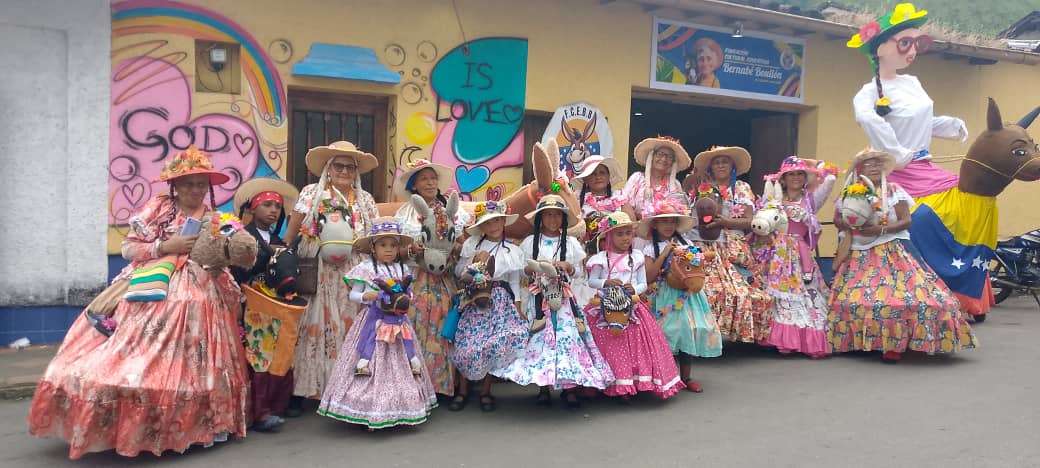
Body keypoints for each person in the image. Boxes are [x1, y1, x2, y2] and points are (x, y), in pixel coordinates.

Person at [28, 147, 251, 459]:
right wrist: (164, 245)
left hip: (203, 291)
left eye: (201, 184)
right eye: (188, 184)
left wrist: (238, 247)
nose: (195, 190)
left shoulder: (217, 217)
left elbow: (235, 245)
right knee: (136, 356)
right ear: (174, 186)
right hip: (153, 285)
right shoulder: (158, 208)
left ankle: (198, 426)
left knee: (200, 362)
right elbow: (129, 247)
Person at [829, 149, 977, 363]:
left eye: (878, 164)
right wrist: (850, 224)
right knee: (853, 299)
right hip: (857, 254)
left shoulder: (893, 191)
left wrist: (881, 230)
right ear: (860, 169)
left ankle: (894, 345)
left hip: (889, 251)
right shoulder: (848, 193)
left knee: (900, 298)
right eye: (869, 165)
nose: (874, 168)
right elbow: (837, 219)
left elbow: (906, 221)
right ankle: (858, 341)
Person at [283, 141, 380, 410]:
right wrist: (283, 251)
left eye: (350, 167)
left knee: (351, 328)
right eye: (339, 165)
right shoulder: (312, 193)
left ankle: (347, 389)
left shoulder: (366, 200)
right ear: (328, 168)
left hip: (353, 273)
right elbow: (293, 227)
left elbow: (374, 235)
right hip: (320, 272)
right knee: (315, 327)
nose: (345, 171)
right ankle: (311, 390)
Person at [317, 217, 437, 428]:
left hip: (399, 324)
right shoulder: (365, 269)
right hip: (373, 323)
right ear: (373, 247)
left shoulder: (402, 270)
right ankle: (368, 408)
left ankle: (399, 407)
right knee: (371, 362)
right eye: (383, 245)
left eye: (393, 245)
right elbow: (353, 295)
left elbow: (408, 293)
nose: (389, 250)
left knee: (402, 363)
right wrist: (367, 297)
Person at [496, 195, 613, 409]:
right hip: (538, 298)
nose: (552, 219)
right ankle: (543, 387)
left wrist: (568, 267)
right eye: (548, 215)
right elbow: (523, 270)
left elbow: (578, 273)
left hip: (564, 301)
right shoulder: (530, 242)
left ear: (563, 219)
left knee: (566, 341)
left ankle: (569, 389)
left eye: (557, 215)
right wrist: (534, 268)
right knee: (541, 342)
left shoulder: (570, 243)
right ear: (540, 218)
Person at [848, 2, 967, 200]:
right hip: (893, 171)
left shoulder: (912, 83)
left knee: (962, 191)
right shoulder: (868, 93)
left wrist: (951, 126)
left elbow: (919, 120)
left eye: (917, 43)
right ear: (880, 49)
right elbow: (869, 120)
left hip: (923, 166)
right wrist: (897, 154)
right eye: (905, 44)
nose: (912, 51)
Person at [584, 212, 683, 400]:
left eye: (628, 234)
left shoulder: (636, 257)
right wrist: (606, 282)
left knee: (633, 347)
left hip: (631, 307)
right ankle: (611, 382)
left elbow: (643, 283)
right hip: (605, 309)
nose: (625, 238)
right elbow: (592, 281)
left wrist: (634, 289)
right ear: (609, 236)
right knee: (610, 347)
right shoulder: (600, 259)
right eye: (619, 234)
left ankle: (630, 383)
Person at [392, 159, 469, 399]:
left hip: (444, 280)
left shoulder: (452, 211)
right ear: (414, 185)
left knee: (445, 329)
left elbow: (464, 243)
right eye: (424, 178)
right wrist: (411, 251)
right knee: (413, 329)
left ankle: (444, 386)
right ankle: (414, 388)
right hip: (414, 278)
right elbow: (394, 249)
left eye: (433, 178)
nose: (430, 182)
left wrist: (454, 248)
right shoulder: (403, 214)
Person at [231, 177, 302, 432]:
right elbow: (235, 272)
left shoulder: (277, 240)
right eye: (267, 205)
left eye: (277, 206)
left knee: (278, 355)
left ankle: (277, 405)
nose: (273, 210)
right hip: (252, 304)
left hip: (275, 304)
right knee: (259, 357)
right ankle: (259, 412)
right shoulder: (242, 237)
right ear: (252, 209)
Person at [750, 157, 837, 359]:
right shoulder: (772, 197)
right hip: (774, 253)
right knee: (773, 296)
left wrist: (813, 163)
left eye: (800, 173)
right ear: (783, 178)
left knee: (804, 296)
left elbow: (831, 177)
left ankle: (800, 340)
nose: (796, 177)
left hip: (799, 255)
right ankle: (771, 339)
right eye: (791, 174)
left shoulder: (811, 199)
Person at [451, 201, 529, 412]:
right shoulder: (474, 245)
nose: (493, 226)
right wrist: (474, 265)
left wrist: (518, 306)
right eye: (488, 223)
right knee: (468, 342)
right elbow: (460, 272)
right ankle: (463, 390)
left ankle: (486, 391)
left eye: (497, 221)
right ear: (482, 227)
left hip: (500, 300)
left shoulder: (512, 250)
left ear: (503, 222)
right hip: (475, 298)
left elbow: (514, 281)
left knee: (491, 345)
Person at [690, 146, 773, 343]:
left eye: (724, 162)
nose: (720, 165)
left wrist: (725, 223)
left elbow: (749, 221)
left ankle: (731, 333)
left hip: (733, 245)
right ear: (710, 167)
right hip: (705, 243)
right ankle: (701, 335)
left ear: (732, 166)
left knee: (739, 291)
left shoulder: (742, 188)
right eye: (716, 162)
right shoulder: (703, 187)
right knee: (703, 287)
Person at [639, 199, 722, 392]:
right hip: (663, 295)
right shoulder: (650, 248)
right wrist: (665, 254)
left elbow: (696, 266)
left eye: (672, 221)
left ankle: (687, 376)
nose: (668, 225)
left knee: (688, 330)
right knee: (665, 333)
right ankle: (665, 375)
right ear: (655, 224)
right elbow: (648, 275)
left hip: (686, 296)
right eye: (663, 221)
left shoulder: (688, 243)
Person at [623, 136, 692, 220]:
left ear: (673, 162)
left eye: (669, 157)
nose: (664, 159)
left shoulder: (675, 184)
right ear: (652, 156)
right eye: (660, 154)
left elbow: (682, 211)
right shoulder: (637, 178)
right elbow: (625, 204)